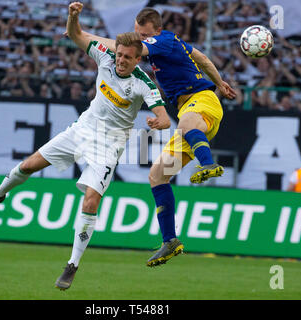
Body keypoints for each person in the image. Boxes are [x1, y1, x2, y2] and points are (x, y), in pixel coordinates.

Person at [0, 3, 170, 291]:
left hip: (110, 144)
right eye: (120, 55)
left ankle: (72, 264)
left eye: (128, 58)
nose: (121, 61)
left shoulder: (143, 84)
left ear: (138, 59)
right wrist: (73, 16)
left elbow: (163, 117)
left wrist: (156, 123)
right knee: (28, 166)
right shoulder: (105, 55)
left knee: (90, 200)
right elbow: (76, 35)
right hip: (83, 129)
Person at [76, 3, 236, 267]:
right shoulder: (175, 42)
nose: (139, 38)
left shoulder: (161, 40)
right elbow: (203, 59)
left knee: (185, 124)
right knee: (158, 174)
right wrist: (220, 82)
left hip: (202, 102)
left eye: (143, 35)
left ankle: (208, 163)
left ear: (156, 31)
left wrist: (84, 36)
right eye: (137, 33)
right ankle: (170, 241)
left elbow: (127, 48)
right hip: (193, 111)